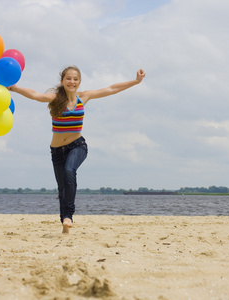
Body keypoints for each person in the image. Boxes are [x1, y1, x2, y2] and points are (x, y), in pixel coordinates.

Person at [8, 66, 146, 233]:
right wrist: (14, 88)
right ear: (62, 81)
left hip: (77, 146)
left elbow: (111, 89)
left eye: (75, 79)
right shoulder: (55, 98)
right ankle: (65, 224)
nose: (71, 82)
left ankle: (69, 216)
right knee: (62, 188)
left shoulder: (84, 96)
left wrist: (136, 81)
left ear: (79, 82)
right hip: (57, 151)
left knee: (69, 171)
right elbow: (36, 95)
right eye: (68, 78)